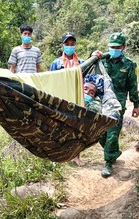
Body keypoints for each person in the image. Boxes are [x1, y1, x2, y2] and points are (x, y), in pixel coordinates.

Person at [93, 32, 139, 178]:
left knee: (112, 134)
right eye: (111, 46)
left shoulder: (129, 64)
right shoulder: (102, 60)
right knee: (99, 134)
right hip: (100, 102)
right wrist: (93, 54)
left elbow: (132, 86)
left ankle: (108, 162)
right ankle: (113, 152)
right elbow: (91, 73)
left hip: (117, 104)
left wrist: (136, 105)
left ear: (123, 47)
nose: (114, 49)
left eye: (117, 47)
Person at [50, 32, 85, 166]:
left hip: (76, 96)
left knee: (77, 127)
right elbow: (51, 80)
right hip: (61, 97)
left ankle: (76, 156)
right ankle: (60, 155)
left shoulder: (81, 63)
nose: (70, 46)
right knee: (59, 126)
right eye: (67, 44)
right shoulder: (56, 63)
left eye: (72, 44)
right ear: (62, 45)